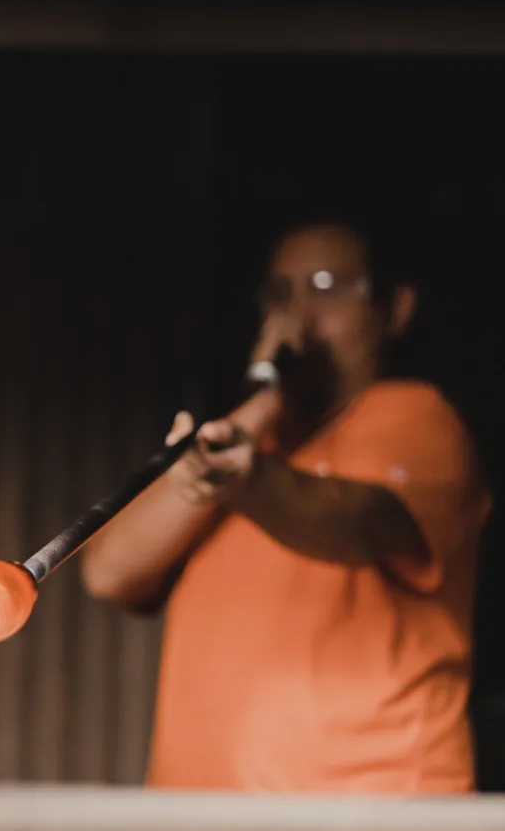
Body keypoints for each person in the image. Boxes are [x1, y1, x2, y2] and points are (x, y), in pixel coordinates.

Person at [80, 213, 491, 794]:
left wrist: (247, 478)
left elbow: (361, 525)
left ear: (395, 308)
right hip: (200, 825)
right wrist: (264, 402)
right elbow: (109, 573)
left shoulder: (414, 417)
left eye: (327, 288)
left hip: (371, 820)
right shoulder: (239, 451)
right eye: (280, 293)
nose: (298, 315)